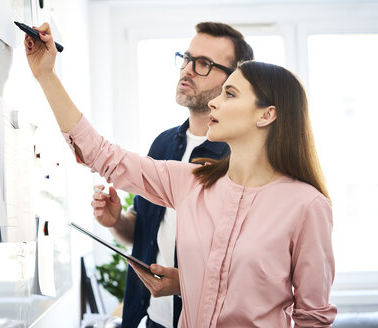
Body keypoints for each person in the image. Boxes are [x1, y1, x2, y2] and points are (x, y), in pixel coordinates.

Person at [24, 23, 337, 327]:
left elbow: (312, 318)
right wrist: (46, 75)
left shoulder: (307, 206)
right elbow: (101, 155)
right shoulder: (190, 181)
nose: (214, 101)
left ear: (266, 114)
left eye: (230, 94)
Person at [90, 22, 254, 328]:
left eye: (203, 64)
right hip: (153, 318)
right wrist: (116, 222)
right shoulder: (163, 143)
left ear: (234, 82)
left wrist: (187, 282)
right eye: (187, 59)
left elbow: (253, 270)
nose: (188, 70)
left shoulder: (242, 159)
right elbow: (142, 231)